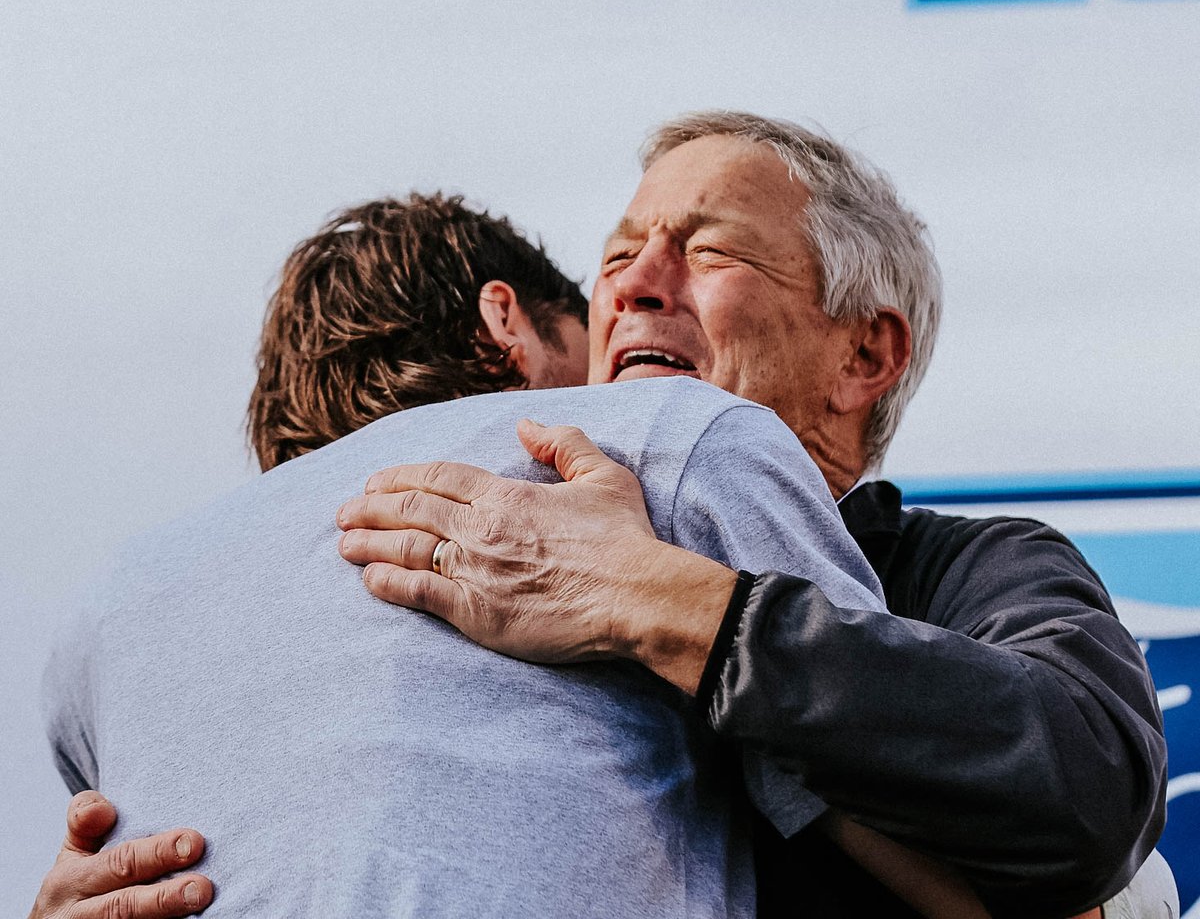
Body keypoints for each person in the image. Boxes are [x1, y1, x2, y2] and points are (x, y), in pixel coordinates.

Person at [333, 112, 1168, 918]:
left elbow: (1091, 789)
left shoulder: (969, 571)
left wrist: (655, 600)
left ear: (863, 354)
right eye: (618, 255)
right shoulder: (478, 553)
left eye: (710, 252)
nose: (633, 286)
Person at [35, 192, 889, 917]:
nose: (610, 378)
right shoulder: (663, 431)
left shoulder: (108, 608)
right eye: (588, 352)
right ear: (506, 319)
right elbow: (906, 801)